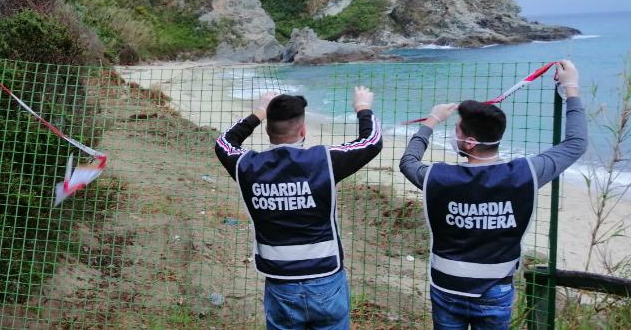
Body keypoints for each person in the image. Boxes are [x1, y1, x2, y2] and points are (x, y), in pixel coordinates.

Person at [399, 60, 587, 329]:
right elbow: (576, 143)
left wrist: (431, 121)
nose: (454, 135)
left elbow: (408, 162)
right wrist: (571, 89)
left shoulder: (439, 177)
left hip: (446, 286)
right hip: (495, 289)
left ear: (469, 143)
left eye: (457, 130)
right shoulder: (526, 173)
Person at [214, 87, 382, 329]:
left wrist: (259, 112)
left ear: (267, 129)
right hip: (325, 277)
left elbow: (223, 143)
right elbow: (371, 141)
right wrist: (363, 107)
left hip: (280, 281)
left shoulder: (247, 167)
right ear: (303, 130)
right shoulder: (323, 161)